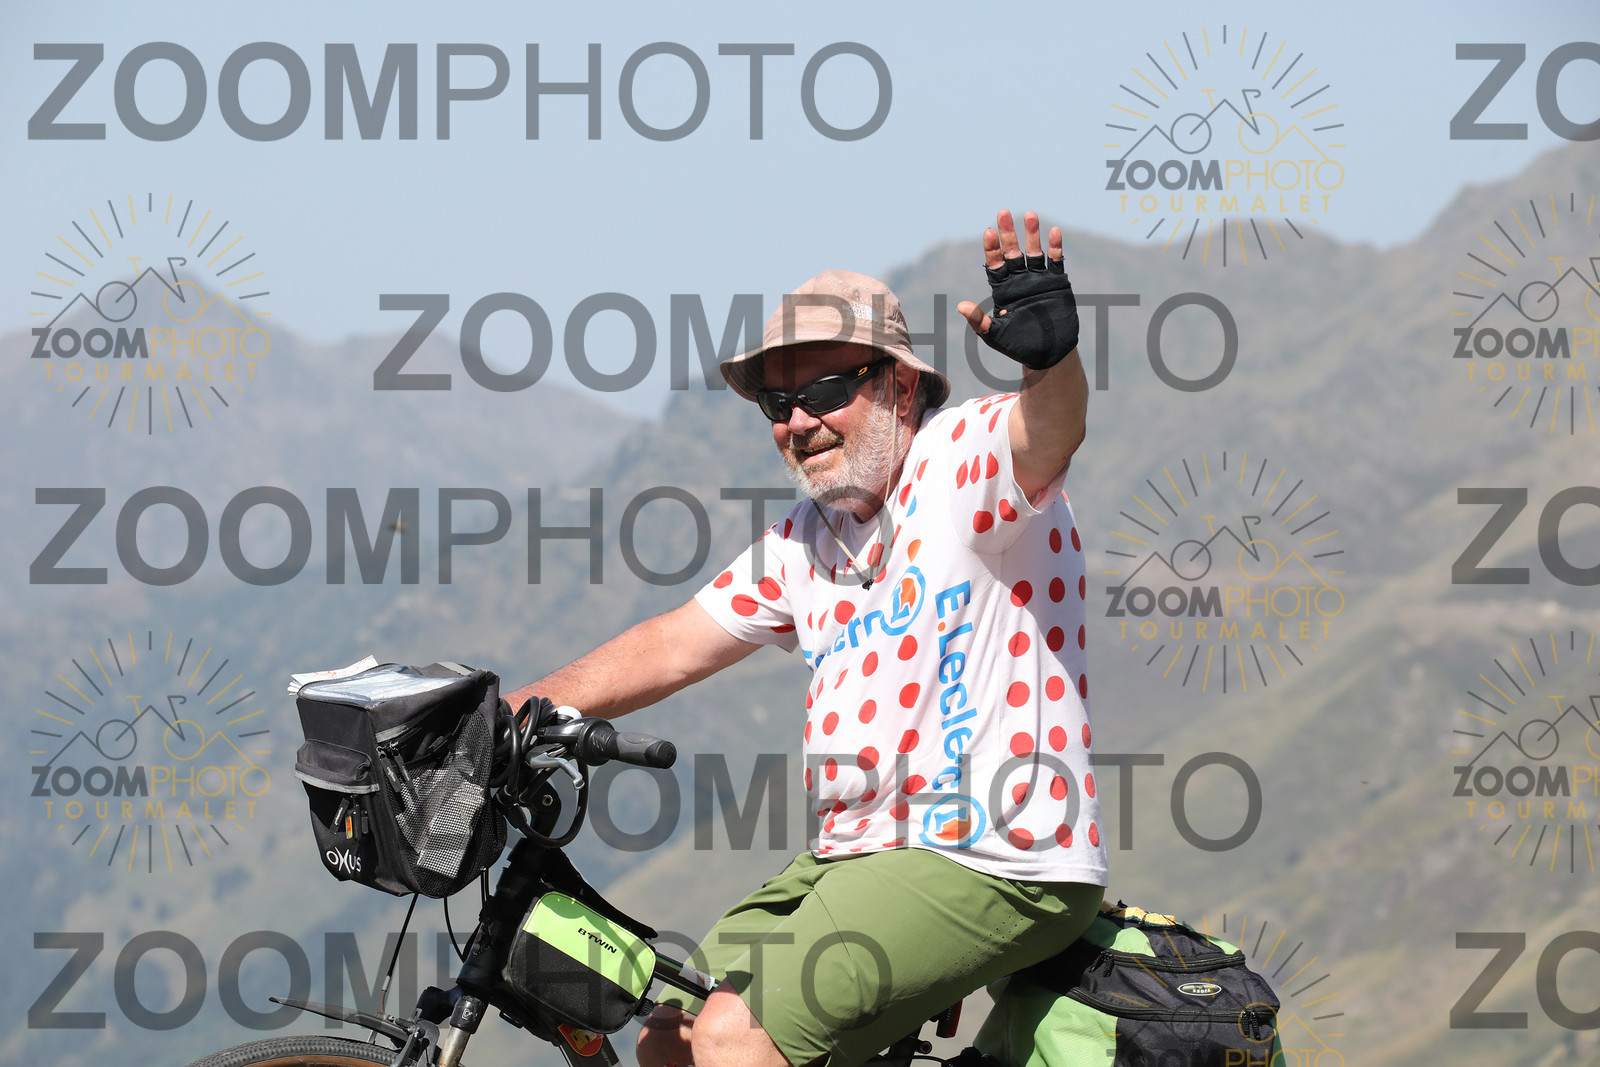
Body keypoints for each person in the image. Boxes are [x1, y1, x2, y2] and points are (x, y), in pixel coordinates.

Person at [506, 210, 1105, 1067]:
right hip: (855, 853)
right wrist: (499, 715)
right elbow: (674, 644)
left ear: (901, 388)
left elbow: (1048, 432)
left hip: (994, 850)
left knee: (731, 1037)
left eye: (824, 392)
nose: (798, 421)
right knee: (670, 1037)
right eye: (778, 404)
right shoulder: (807, 537)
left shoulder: (960, 461)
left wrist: (1052, 361)